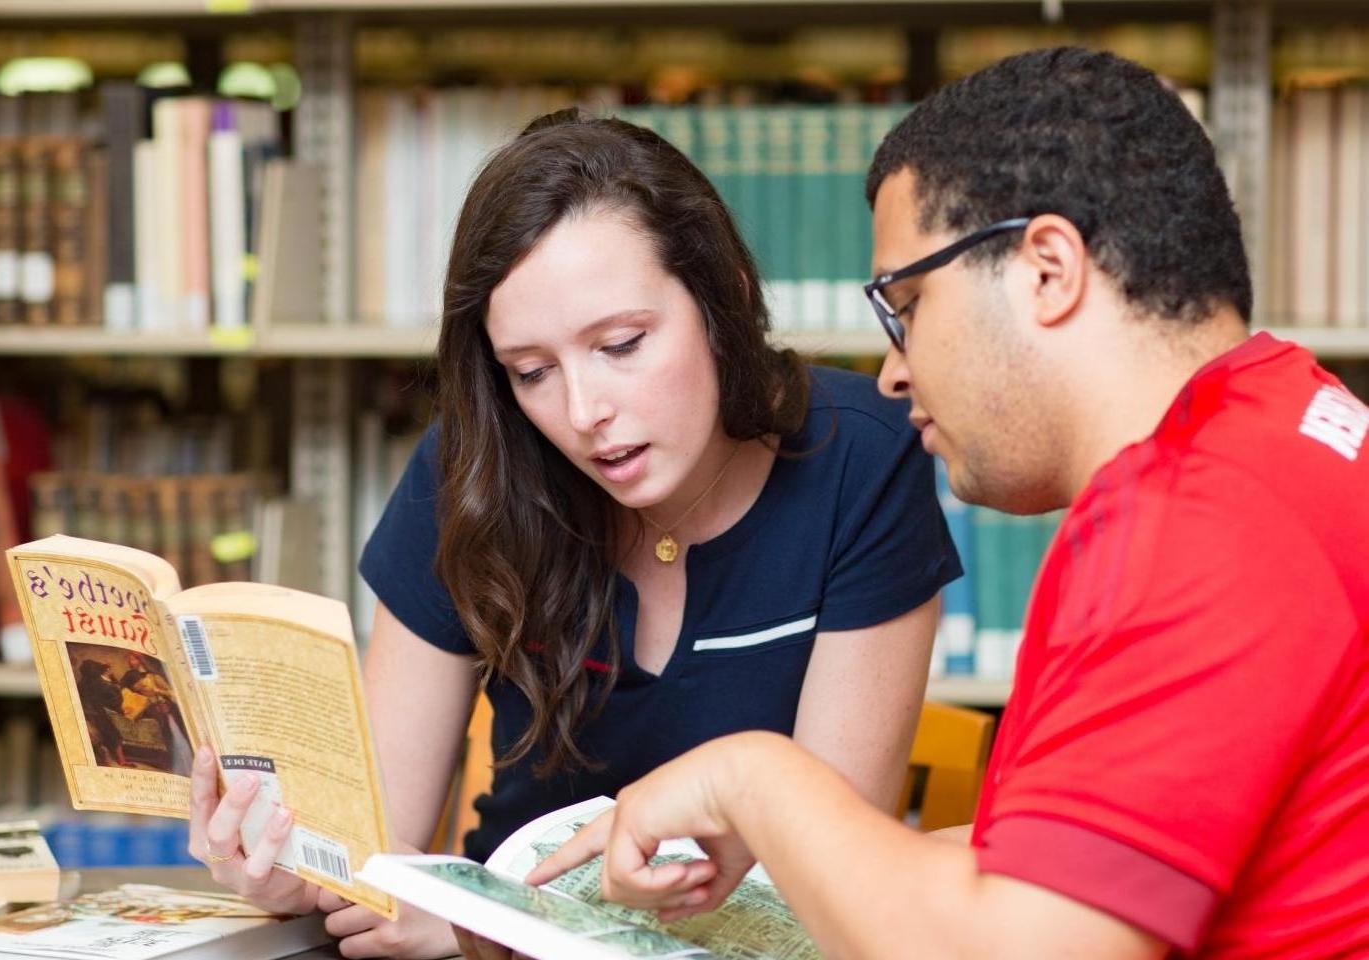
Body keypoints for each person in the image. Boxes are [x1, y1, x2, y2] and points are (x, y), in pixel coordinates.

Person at [522, 47, 1369, 960]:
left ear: (1047, 268)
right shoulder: (1291, 423)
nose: (892, 373)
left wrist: (750, 780)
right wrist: (793, 845)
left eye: (909, 305)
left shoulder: (1193, 519)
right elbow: (1088, 862)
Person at [187, 109, 961, 958]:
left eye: (622, 344)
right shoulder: (475, 470)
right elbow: (377, 845)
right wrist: (287, 866)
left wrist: (486, 927)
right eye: (533, 372)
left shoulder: (864, 460)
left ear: (724, 300)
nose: (586, 413)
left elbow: (827, 896)